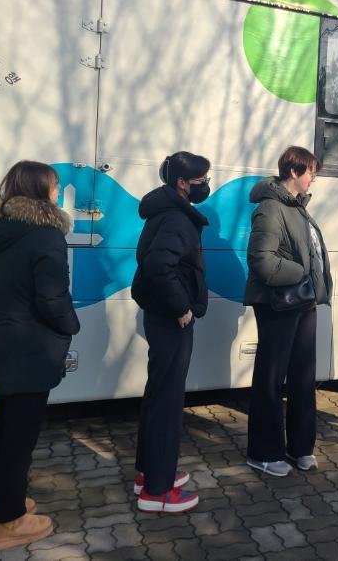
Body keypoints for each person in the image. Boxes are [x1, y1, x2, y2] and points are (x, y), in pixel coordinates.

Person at [0, 161, 80, 552]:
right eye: (55, 186)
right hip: (29, 348)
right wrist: (71, 326)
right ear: (41, 190)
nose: (58, 192)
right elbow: (52, 298)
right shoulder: (46, 236)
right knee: (21, 437)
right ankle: (8, 522)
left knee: (3, 430)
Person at [244, 146, 333, 477]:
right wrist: (303, 274)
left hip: (303, 303)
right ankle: (263, 452)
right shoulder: (271, 208)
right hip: (278, 304)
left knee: (302, 378)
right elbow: (262, 260)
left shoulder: (299, 209)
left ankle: (300, 448)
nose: (313, 179)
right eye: (311, 172)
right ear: (293, 172)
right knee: (270, 379)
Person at [131, 152, 211, 513]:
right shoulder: (178, 218)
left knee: (158, 392)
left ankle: (151, 472)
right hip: (170, 318)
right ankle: (158, 492)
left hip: (159, 315)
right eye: (201, 179)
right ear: (182, 183)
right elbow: (157, 266)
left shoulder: (165, 212)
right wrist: (181, 307)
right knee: (167, 399)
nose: (205, 185)